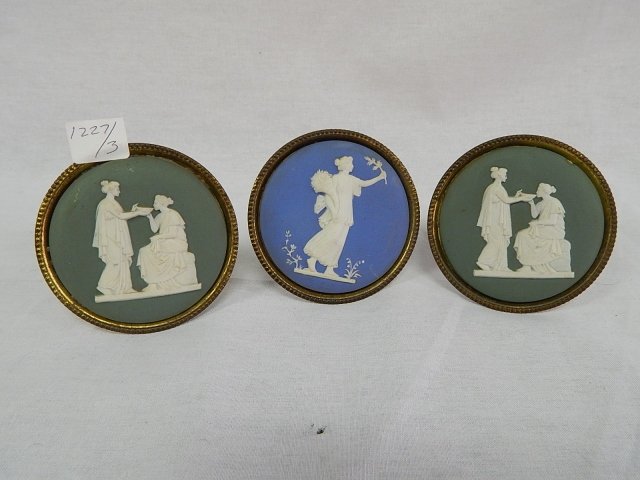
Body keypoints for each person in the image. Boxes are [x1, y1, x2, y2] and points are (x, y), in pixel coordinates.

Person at [303, 156, 386, 278]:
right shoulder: (335, 178)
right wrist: (333, 211)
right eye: (351, 164)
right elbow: (328, 195)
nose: (352, 166)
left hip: (346, 213)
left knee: (339, 241)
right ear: (346, 165)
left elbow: (364, 183)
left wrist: (379, 177)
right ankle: (313, 259)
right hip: (338, 213)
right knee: (331, 237)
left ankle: (330, 268)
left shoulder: (351, 179)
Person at [93, 180, 146, 296]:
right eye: (117, 189)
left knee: (123, 260)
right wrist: (138, 213)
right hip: (111, 237)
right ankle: (103, 286)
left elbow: (118, 218)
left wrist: (132, 211)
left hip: (118, 237)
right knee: (115, 261)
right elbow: (120, 216)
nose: (119, 191)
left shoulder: (114, 203)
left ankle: (126, 287)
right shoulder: (106, 204)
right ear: (111, 190)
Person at [137, 195, 199, 292]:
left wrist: (158, 237)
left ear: (161, 203)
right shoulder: (159, 216)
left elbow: (173, 234)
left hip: (176, 242)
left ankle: (155, 282)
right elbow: (154, 229)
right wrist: (149, 217)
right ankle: (152, 282)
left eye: (155, 203)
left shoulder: (173, 214)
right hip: (164, 241)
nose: (153, 205)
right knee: (143, 251)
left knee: (150, 251)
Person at [476, 167, 528, 272]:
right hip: (494, 220)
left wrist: (516, 196)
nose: (506, 177)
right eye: (505, 175)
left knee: (502, 242)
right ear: (499, 176)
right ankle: (483, 261)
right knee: (495, 242)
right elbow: (506, 200)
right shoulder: (495, 188)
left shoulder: (497, 187)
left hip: (498, 220)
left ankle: (502, 266)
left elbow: (502, 200)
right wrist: (522, 198)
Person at [514, 183, 572, 273]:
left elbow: (552, 221)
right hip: (542, 227)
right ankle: (527, 265)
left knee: (524, 235)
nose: (537, 191)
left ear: (544, 191)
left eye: (538, 190)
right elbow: (534, 215)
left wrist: (537, 223)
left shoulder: (554, 202)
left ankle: (528, 265)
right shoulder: (541, 203)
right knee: (521, 234)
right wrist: (531, 203)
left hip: (554, 230)